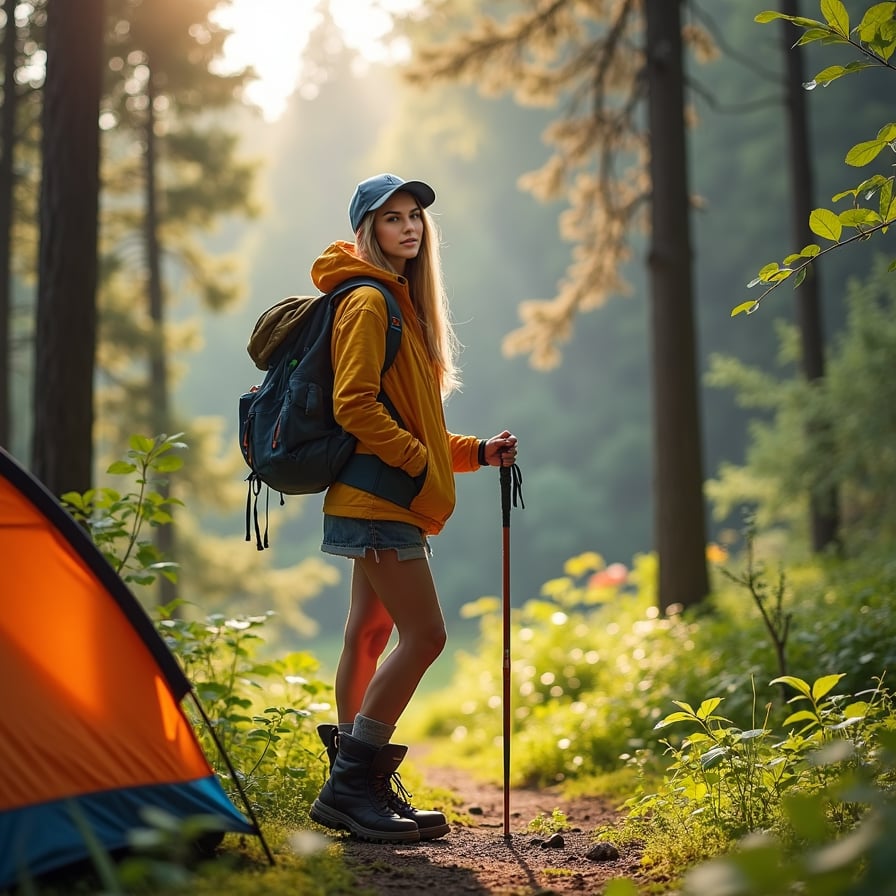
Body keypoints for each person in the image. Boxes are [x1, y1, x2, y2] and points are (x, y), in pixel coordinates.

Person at [307, 173, 518, 844]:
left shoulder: (401, 306)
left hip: (380, 497)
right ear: (367, 230)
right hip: (379, 500)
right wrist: (414, 461)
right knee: (426, 637)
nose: (409, 226)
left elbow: (419, 429)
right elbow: (355, 405)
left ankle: (357, 785)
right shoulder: (368, 301)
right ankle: (351, 786)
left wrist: (477, 452)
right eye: (391, 217)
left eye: (415, 217)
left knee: (368, 636)